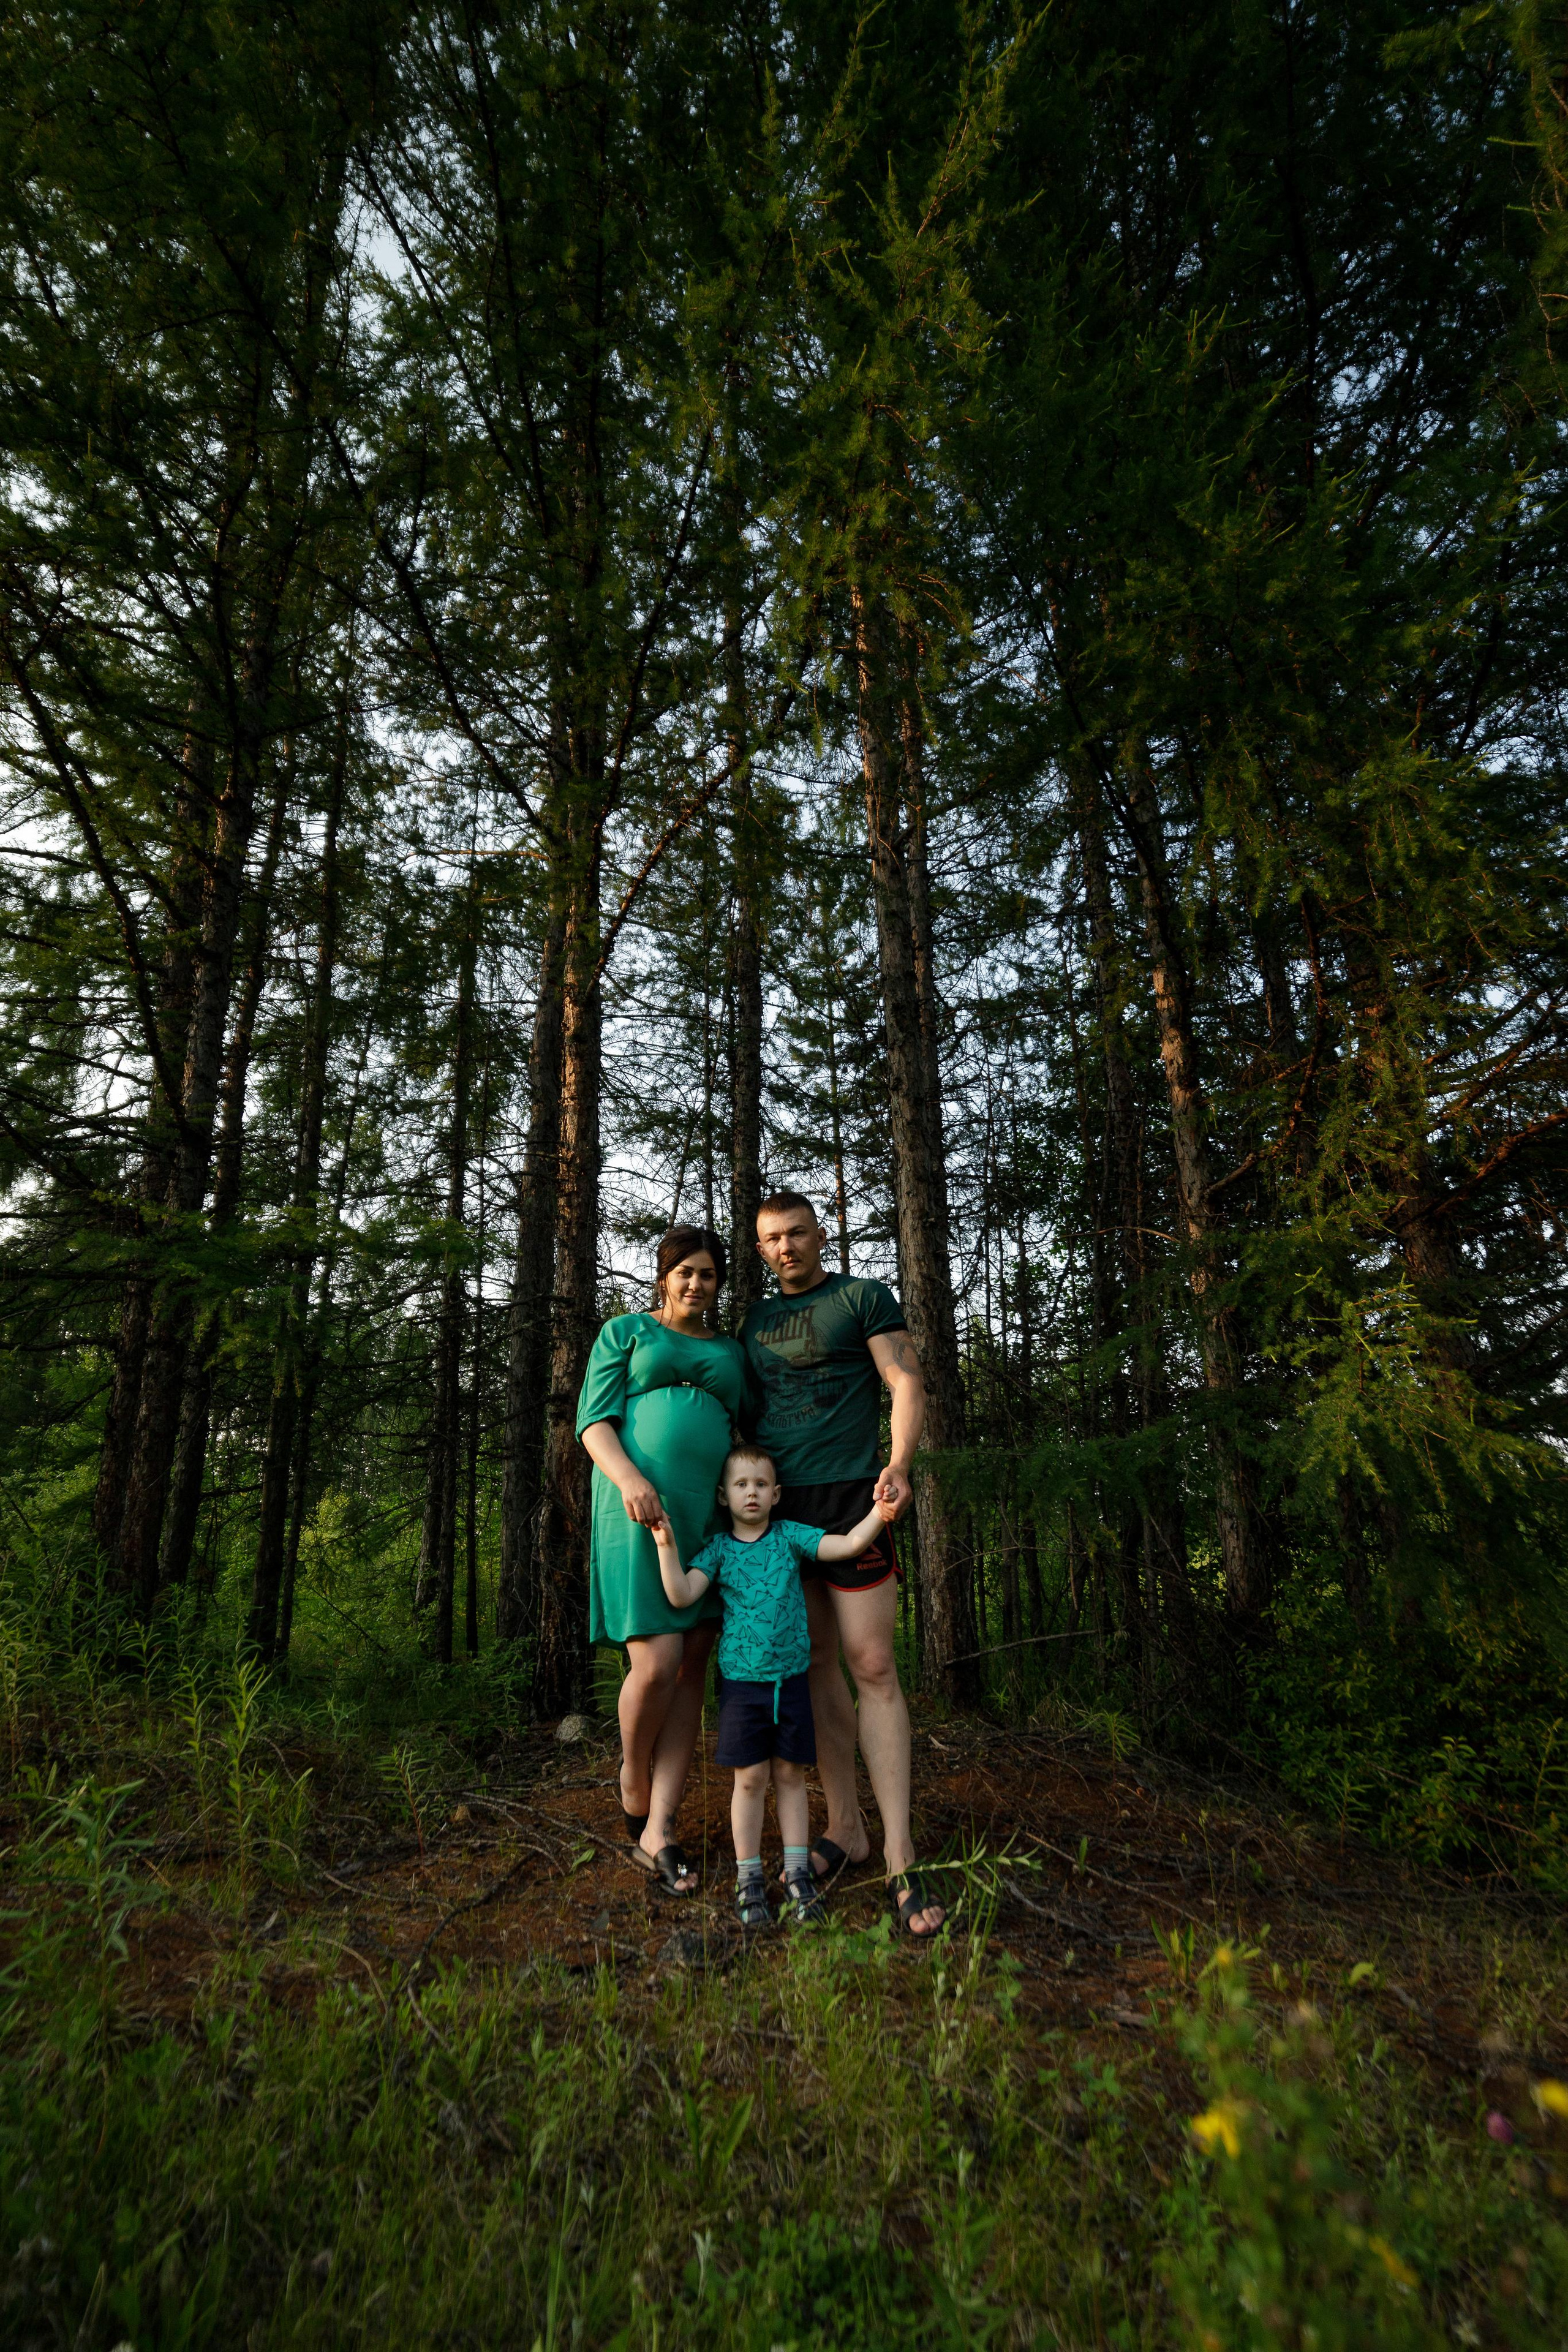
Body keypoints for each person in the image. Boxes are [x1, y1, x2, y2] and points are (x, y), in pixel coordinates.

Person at [741, 1190, 945, 1937]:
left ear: (819, 1233)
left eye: (796, 1233)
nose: (785, 1247)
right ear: (760, 1249)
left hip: (856, 1504)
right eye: (771, 1239)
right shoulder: (754, 1322)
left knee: (873, 1667)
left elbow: (905, 1381)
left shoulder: (861, 1297)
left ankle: (900, 1855)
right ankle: (845, 1827)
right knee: (815, 1663)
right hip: (780, 1516)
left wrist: (898, 1463)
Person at [652, 1442, 895, 1931]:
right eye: (741, 1485)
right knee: (750, 1779)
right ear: (724, 1496)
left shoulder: (789, 1537)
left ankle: (798, 1874)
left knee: (789, 1776)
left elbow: (846, 1546)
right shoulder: (719, 1550)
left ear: (776, 1493)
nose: (751, 1493)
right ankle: (750, 1878)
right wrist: (666, 1544)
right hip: (744, 1689)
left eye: (761, 1485)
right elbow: (680, 1595)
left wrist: (881, 1515)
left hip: (792, 1685)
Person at [576, 1226, 747, 1894]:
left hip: (708, 1515)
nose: (695, 1284)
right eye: (685, 1272)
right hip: (636, 1506)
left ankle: (661, 1829)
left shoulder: (730, 1352)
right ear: (662, 1276)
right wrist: (629, 1480)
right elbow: (593, 1421)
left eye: (707, 1275)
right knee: (657, 1662)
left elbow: (743, 1433)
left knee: (692, 1665)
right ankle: (631, 1773)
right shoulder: (626, 1333)